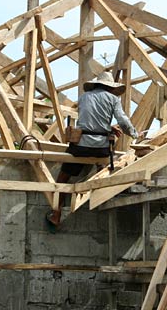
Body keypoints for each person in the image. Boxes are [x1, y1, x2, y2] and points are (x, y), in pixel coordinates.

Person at [46, 72, 138, 230]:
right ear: (110, 87)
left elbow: (89, 120)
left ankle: (56, 213)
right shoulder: (113, 99)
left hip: (81, 146)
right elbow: (122, 120)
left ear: (96, 84)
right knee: (104, 166)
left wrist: (106, 127)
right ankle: (100, 191)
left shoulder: (84, 97)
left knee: (64, 176)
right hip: (100, 149)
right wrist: (135, 134)